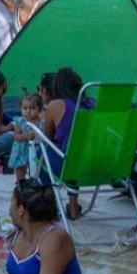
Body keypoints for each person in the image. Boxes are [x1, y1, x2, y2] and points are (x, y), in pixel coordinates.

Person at [42, 67, 86, 220]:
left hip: (69, 164)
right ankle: (73, 207)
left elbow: (47, 138)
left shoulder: (56, 105)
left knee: (45, 154)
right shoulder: (93, 104)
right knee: (75, 151)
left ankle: (49, 205)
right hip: (97, 165)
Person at [10, 93, 44, 181]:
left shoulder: (41, 122)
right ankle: (20, 184)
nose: (28, 111)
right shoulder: (20, 121)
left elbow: (44, 135)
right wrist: (26, 135)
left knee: (36, 169)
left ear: (39, 109)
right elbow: (16, 136)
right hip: (21, 150)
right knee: (20, 169)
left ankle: (34, 183)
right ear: (21, 108)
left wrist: (37, 135)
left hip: (36, 150)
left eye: (32, 108)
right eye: (25, 108)